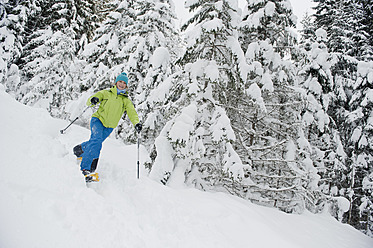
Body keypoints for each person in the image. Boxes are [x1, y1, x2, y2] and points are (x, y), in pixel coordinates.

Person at [73, 72, 142, 182]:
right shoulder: (107, 93)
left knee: (95, 142)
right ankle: (86, 169)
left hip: (109, 127)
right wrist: (94, 99)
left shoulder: (125, 100)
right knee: (96, 142)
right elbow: (93, 98)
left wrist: (136, 123)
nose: (122, 84)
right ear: (116, 82)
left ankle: (79, 149)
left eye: (124, 83)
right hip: (98, 120)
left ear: (127, 86)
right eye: (120, 81)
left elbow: (132, 112)